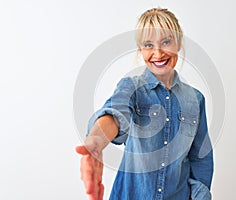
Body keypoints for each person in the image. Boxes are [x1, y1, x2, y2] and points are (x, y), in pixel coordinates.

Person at [76, 8, 214, 200]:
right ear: (141, 49)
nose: (157, 53)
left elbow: (201, 159)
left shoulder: (196, 99)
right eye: (148, 45)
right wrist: (96, 142)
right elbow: (115, 115)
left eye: (166, 41)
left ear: (178, 43)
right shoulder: (130, 88)